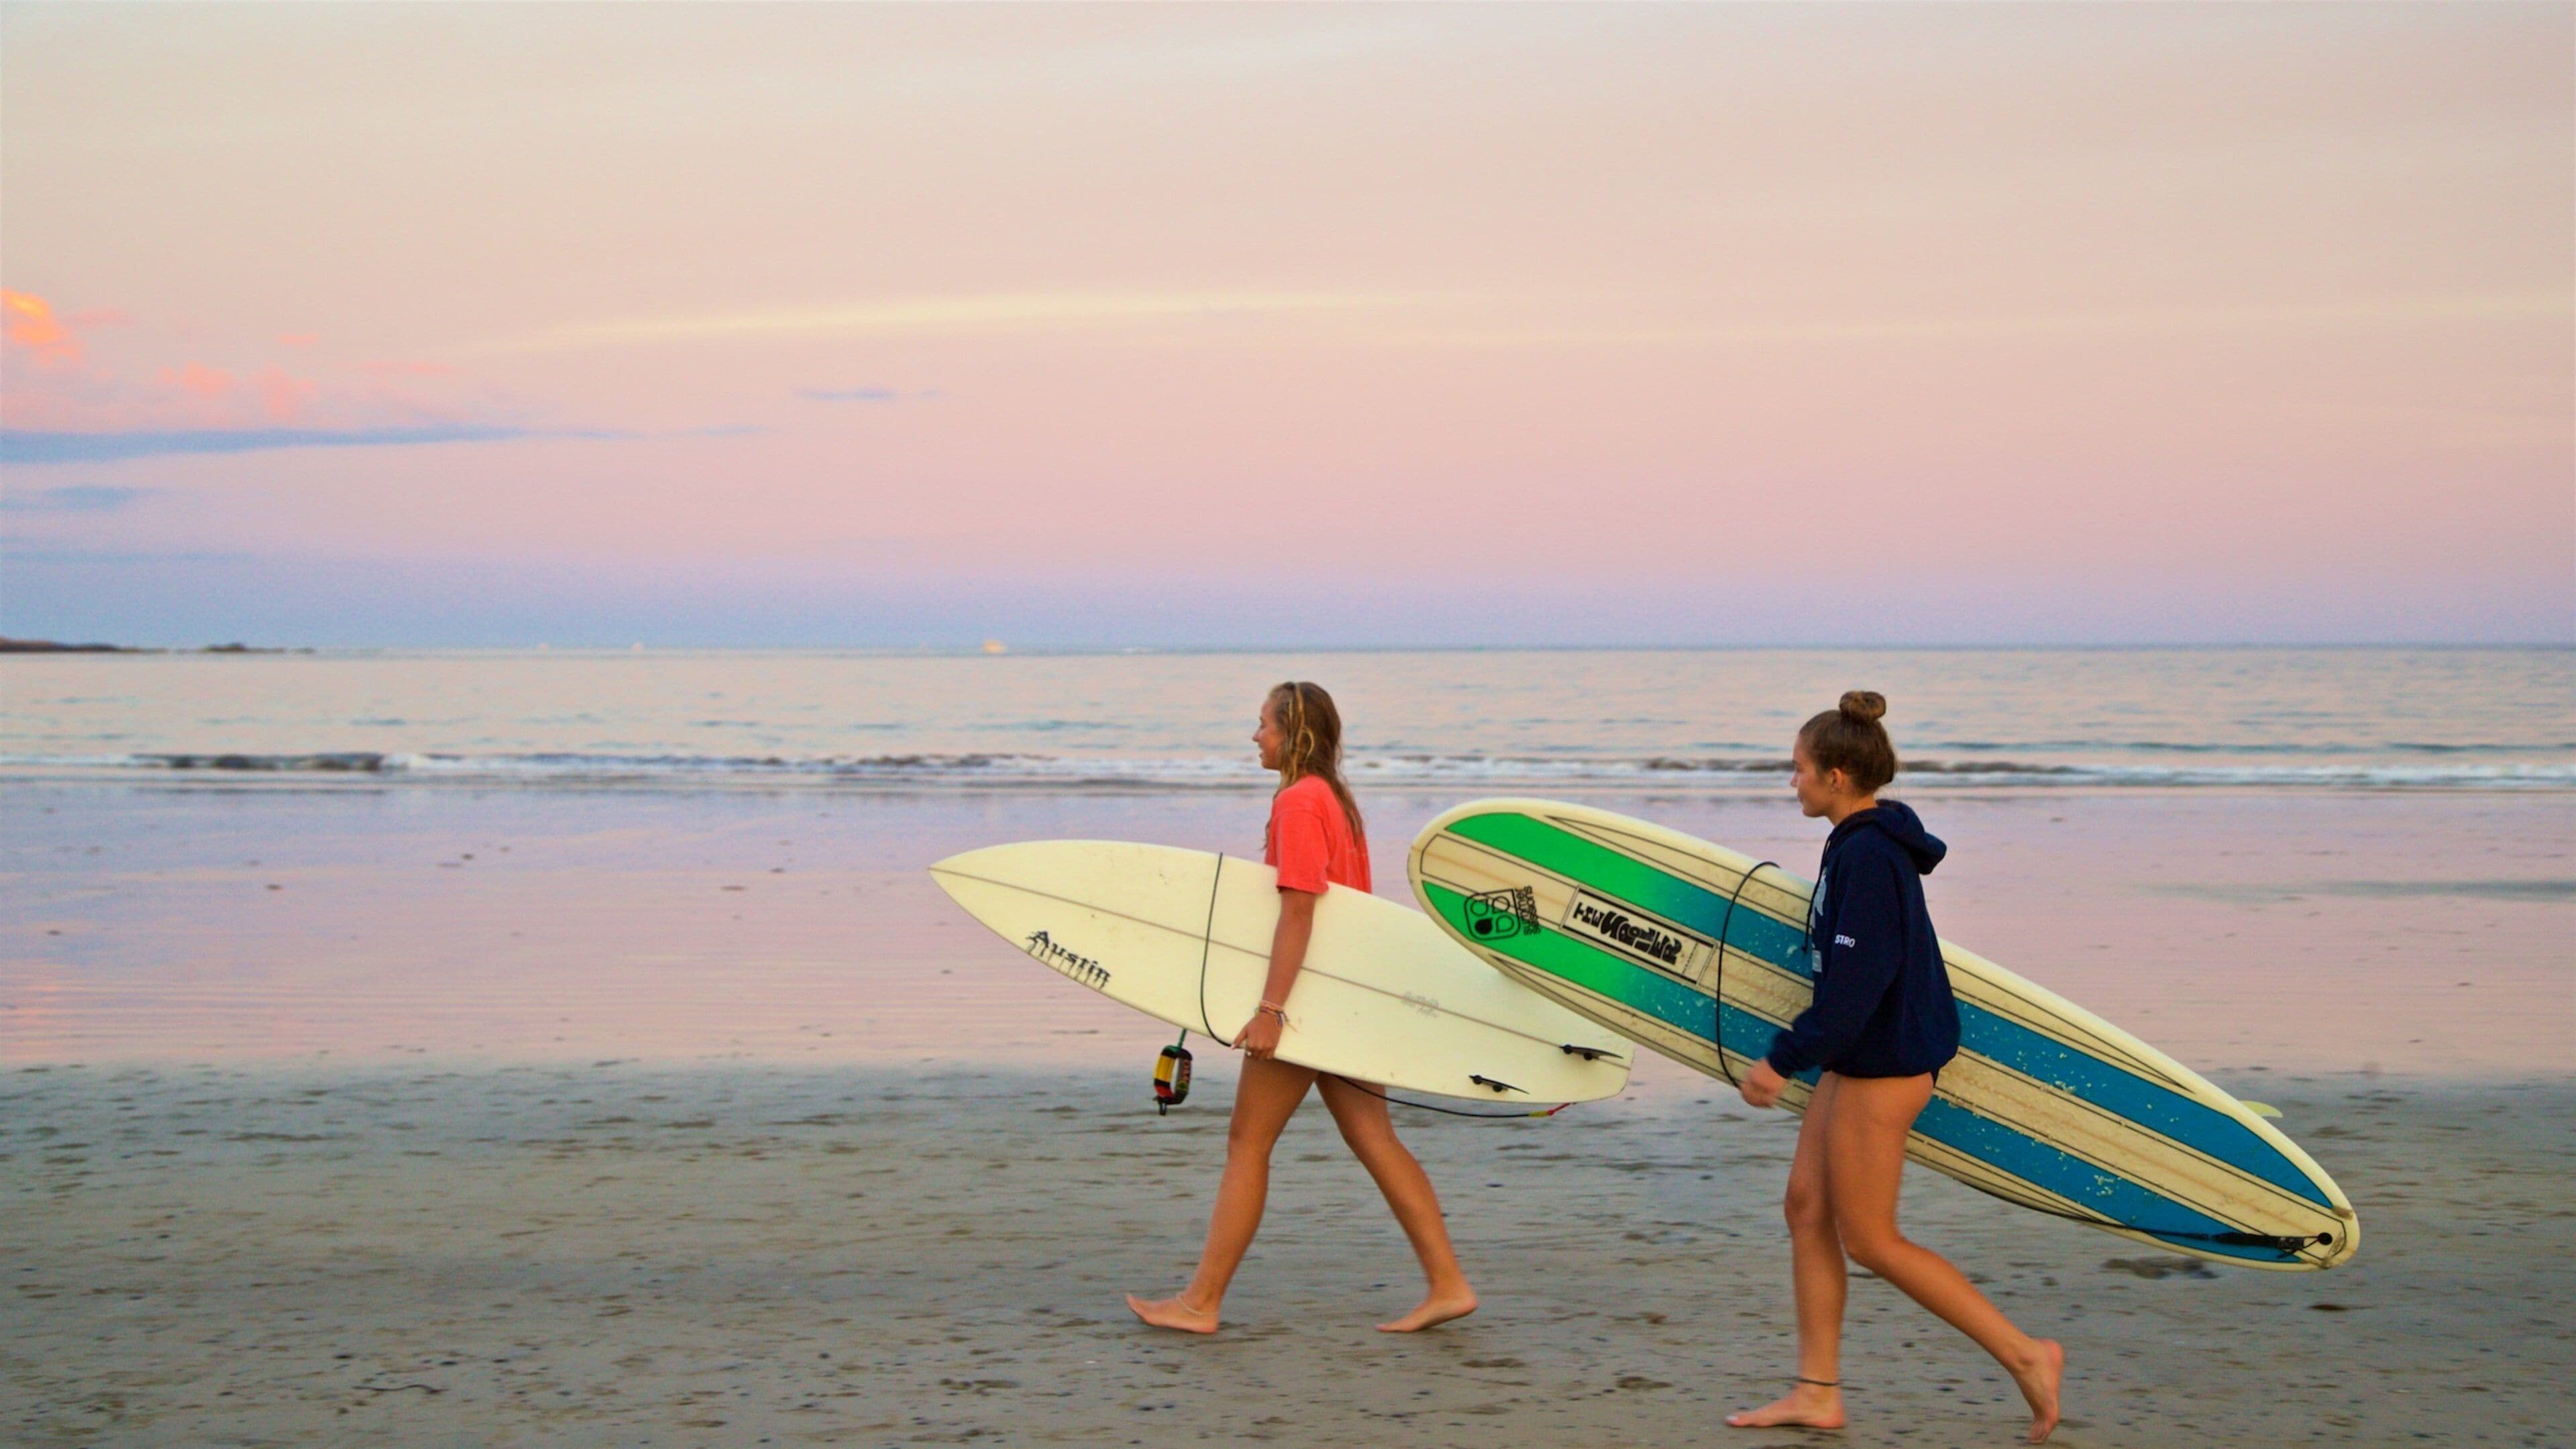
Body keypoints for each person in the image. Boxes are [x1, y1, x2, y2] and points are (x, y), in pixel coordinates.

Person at [1727, 692, 2065, 1444]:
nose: (1794, 783)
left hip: (1883, 1066)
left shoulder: (1871, 856)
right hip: (1859, 1058)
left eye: (1801, 770)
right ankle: (1817, 1391)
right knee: (1806, 1209)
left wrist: (1781, 1060)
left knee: (1873, 1241)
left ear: (1838, 776)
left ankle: (2027, 1355)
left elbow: (1857, 984)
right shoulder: (1857, 843)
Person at [1125, 680, 1479, 1335]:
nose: (1254, 736)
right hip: (1344, 995)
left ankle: (1201, 1302)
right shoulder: (1335, 801)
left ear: (1296, 735)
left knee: (1247, 1143)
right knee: (1373, 1136)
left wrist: (1271, 1010)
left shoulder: (1297, 802)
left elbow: (1299, 908)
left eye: (1263, 724)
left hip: (1307, 1002)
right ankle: (1448, 1283)